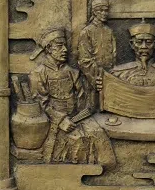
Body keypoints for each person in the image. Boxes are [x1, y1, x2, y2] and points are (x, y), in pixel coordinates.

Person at [28, 28, 115, 169]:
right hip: (54, 121)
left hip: (77, 117)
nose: (64, 50)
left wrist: (97, 89)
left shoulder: (72, 72)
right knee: (76, 141)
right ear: (49, 48)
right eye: (59, 46)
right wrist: (61, 120)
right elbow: (40, 103)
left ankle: (106, 171)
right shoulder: (38, 73)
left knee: (98, 134)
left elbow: (83, 99)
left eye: (65, 46)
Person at [109, 22, 155, 87]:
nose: (144, 46)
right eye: (139, 42)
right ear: (132, 44)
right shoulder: (118, 74)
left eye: (148, 42)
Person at [77, 0, 116, 92]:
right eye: (101, 11)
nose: (104, 13)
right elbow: (84, 60)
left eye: (106, 11)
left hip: (109, 76)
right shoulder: (86, 32)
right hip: (92, 78)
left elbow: (114, 55)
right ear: (94, 12)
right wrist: (95, 78)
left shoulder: (109, 31)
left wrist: (111, 75)